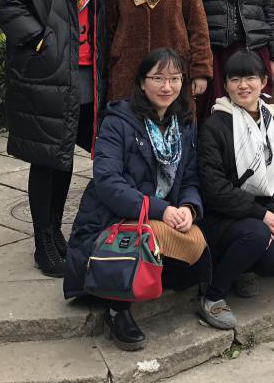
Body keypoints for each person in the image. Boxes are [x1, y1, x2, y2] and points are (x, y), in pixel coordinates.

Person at [0, 0, 109, 277]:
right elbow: (7, 4)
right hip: (49, 72)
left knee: (71, 153)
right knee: (48, 159)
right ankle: (44, 241)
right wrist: (40, 40)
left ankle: (62, 234)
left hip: (89, 72)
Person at [63, 49, 210, 351]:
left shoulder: (183, 123)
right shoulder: (118, 121)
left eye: (174, 79)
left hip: (163, 214)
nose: (167, 87)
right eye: (158, 78)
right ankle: (118, 310)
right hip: (114, 217)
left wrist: (187, 207)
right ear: (142, 82)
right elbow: (108, 181)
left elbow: (191, 177)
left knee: (200, 248)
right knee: (143, 239)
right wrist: (161, 209)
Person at [196, 50, 274, 330]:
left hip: (263, 216)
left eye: (250, 78)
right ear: (226, 85)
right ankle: (212, 295)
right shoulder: (215, 125)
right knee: (256, 234)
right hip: (222, 216)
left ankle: (241, 268)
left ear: (264, 81)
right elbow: (214, 186)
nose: (243, 85)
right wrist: (259, 215)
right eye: (235, 79)